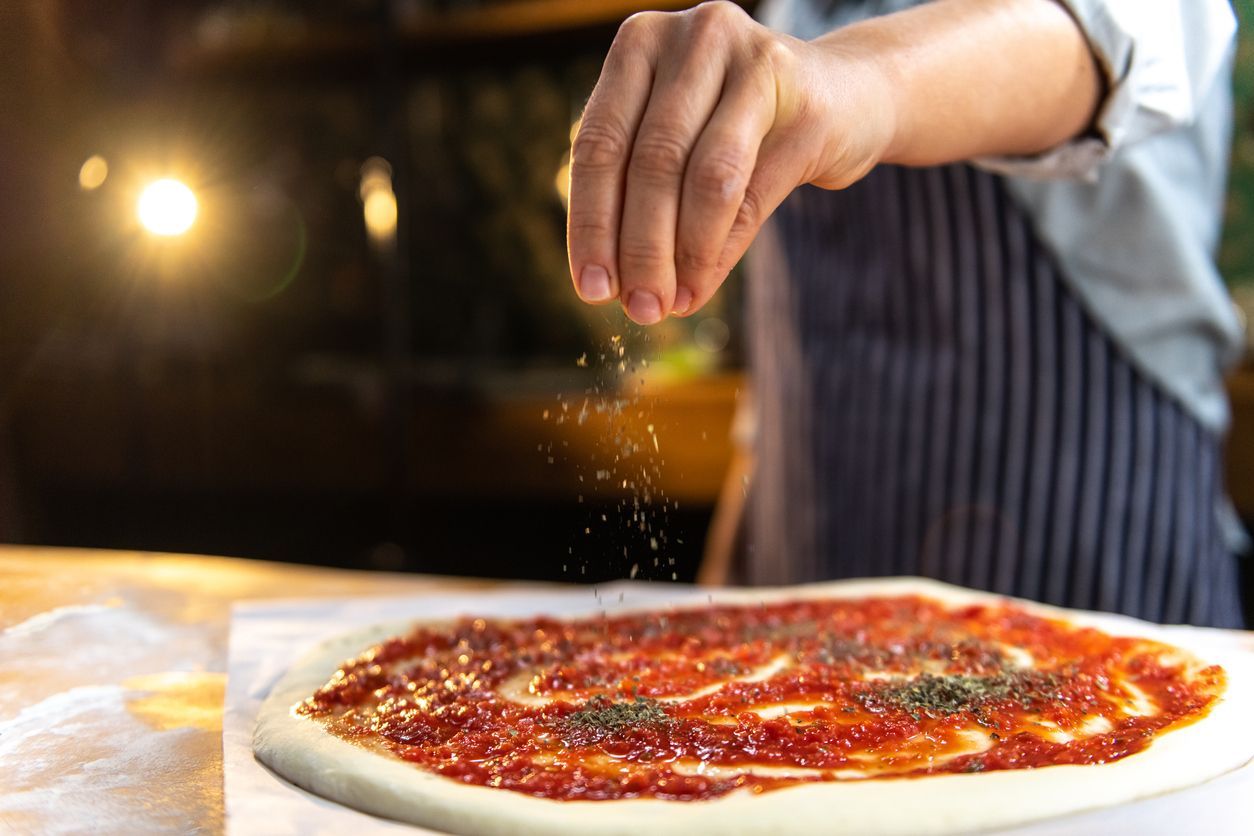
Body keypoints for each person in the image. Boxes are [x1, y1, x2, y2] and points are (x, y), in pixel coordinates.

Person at [565, 0, 1247, 627]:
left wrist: (853, 78)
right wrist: (731, 553)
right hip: (810, 553)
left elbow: (1119, 31)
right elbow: (794, 336)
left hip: (1079, 552)